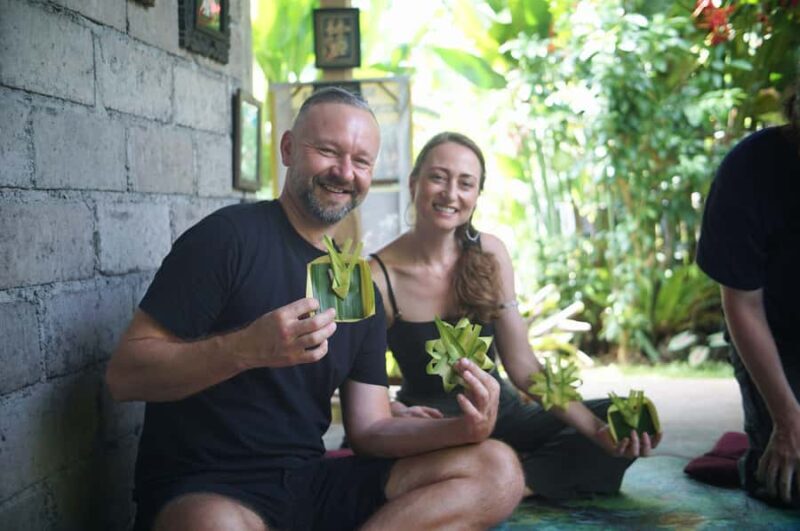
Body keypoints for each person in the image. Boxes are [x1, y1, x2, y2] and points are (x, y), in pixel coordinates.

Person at [106, 88, 525, 531]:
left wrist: (465, 430)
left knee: (498, 469)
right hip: (208, 488)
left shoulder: (356, 281)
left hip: (307, 484)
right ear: (288, 149)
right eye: (328, 151)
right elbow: (124, 375)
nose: (344, 172)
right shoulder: (228, 239)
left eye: (361, 161)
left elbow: (370, 429)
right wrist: (245, 349)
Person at [368, 131, 662, 500]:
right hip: (434, 425)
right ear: (415, 183)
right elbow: (359, 386)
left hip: (503, 413)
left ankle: (507, 482)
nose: (450, 193)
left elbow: (523, 366)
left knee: (612, 415)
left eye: (465, 183)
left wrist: (596, 430)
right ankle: (512, 476)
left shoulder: (489, 253)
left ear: (476, 196)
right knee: (375, 461)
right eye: (438, 177)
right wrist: (393, 411)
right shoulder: (378, 275)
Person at [697, 83, 800, 507]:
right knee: (789, 484)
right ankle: (756, 441)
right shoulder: (751, 167)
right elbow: (742, 304)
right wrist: (788, 421)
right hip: (776, 337)